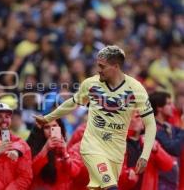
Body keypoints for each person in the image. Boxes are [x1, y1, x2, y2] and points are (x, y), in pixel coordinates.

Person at [34, 45, 157, 190]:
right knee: (110, 186)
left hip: (116, 150)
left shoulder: (136, 89)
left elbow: (150, 124)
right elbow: (72, 103)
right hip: (93, 146)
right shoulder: (91, 84)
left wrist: (145, 155)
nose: (98, 69)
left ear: (115, 66)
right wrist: (47, 118)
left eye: (102, 66)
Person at [27, 119, 85, 189]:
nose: (51, 130)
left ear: (60, 128)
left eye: (54, 126)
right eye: (46, 127)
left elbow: (74, 172)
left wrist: (65, 153)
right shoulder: (32, 148)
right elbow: (30, 172)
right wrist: (45, 149)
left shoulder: (68, 149)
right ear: (41, 131)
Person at [149, 91, 184, 189]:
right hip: (160, 183)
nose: (173, 107)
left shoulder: (168, 127)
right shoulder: (153, 129)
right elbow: (173, 149)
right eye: (169, 104)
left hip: (171, 182)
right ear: (159, 107)